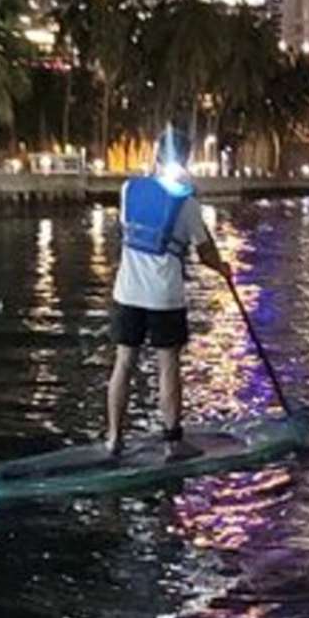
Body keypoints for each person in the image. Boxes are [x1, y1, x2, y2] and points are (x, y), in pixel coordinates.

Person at [107, 129, 227, 460]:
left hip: (127, 292)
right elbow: (206, 253)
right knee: (167, 364)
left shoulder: (128, 189)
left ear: (157, 155)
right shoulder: (187, 204)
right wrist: (224, 269)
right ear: (185, 160)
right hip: (164, 296)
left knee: (124, 362)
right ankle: (173, 442)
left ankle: (114, 438)